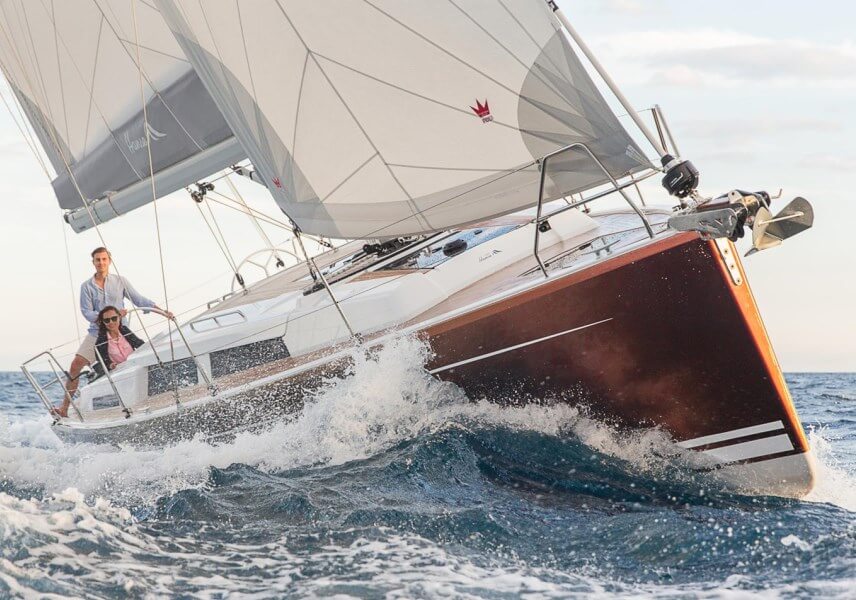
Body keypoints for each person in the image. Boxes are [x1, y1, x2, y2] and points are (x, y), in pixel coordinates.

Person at [55, 247, 173, 417]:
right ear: (93, 262)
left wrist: (162, 311)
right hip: (97, 333)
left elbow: (139, 299)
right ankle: (64, 409)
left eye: (104, 259)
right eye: (97, 260)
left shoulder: (121, 281)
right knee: (75, 365)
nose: (101, 263)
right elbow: (87, 312)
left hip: (120, 331)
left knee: (143, 358)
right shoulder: (86, 286)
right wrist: (111, 315)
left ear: (109, 260)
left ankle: (156, 399)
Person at [93, 305, 145, 374]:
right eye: (107, 320)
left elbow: (140, 344)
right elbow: (102, 361)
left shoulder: (125, 330)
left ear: (119, 317)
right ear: (103, 322)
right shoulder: (100, 341)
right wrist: (110, 365)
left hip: (136, 366)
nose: (111, 322)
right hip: (120, 373)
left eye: (114, 318)